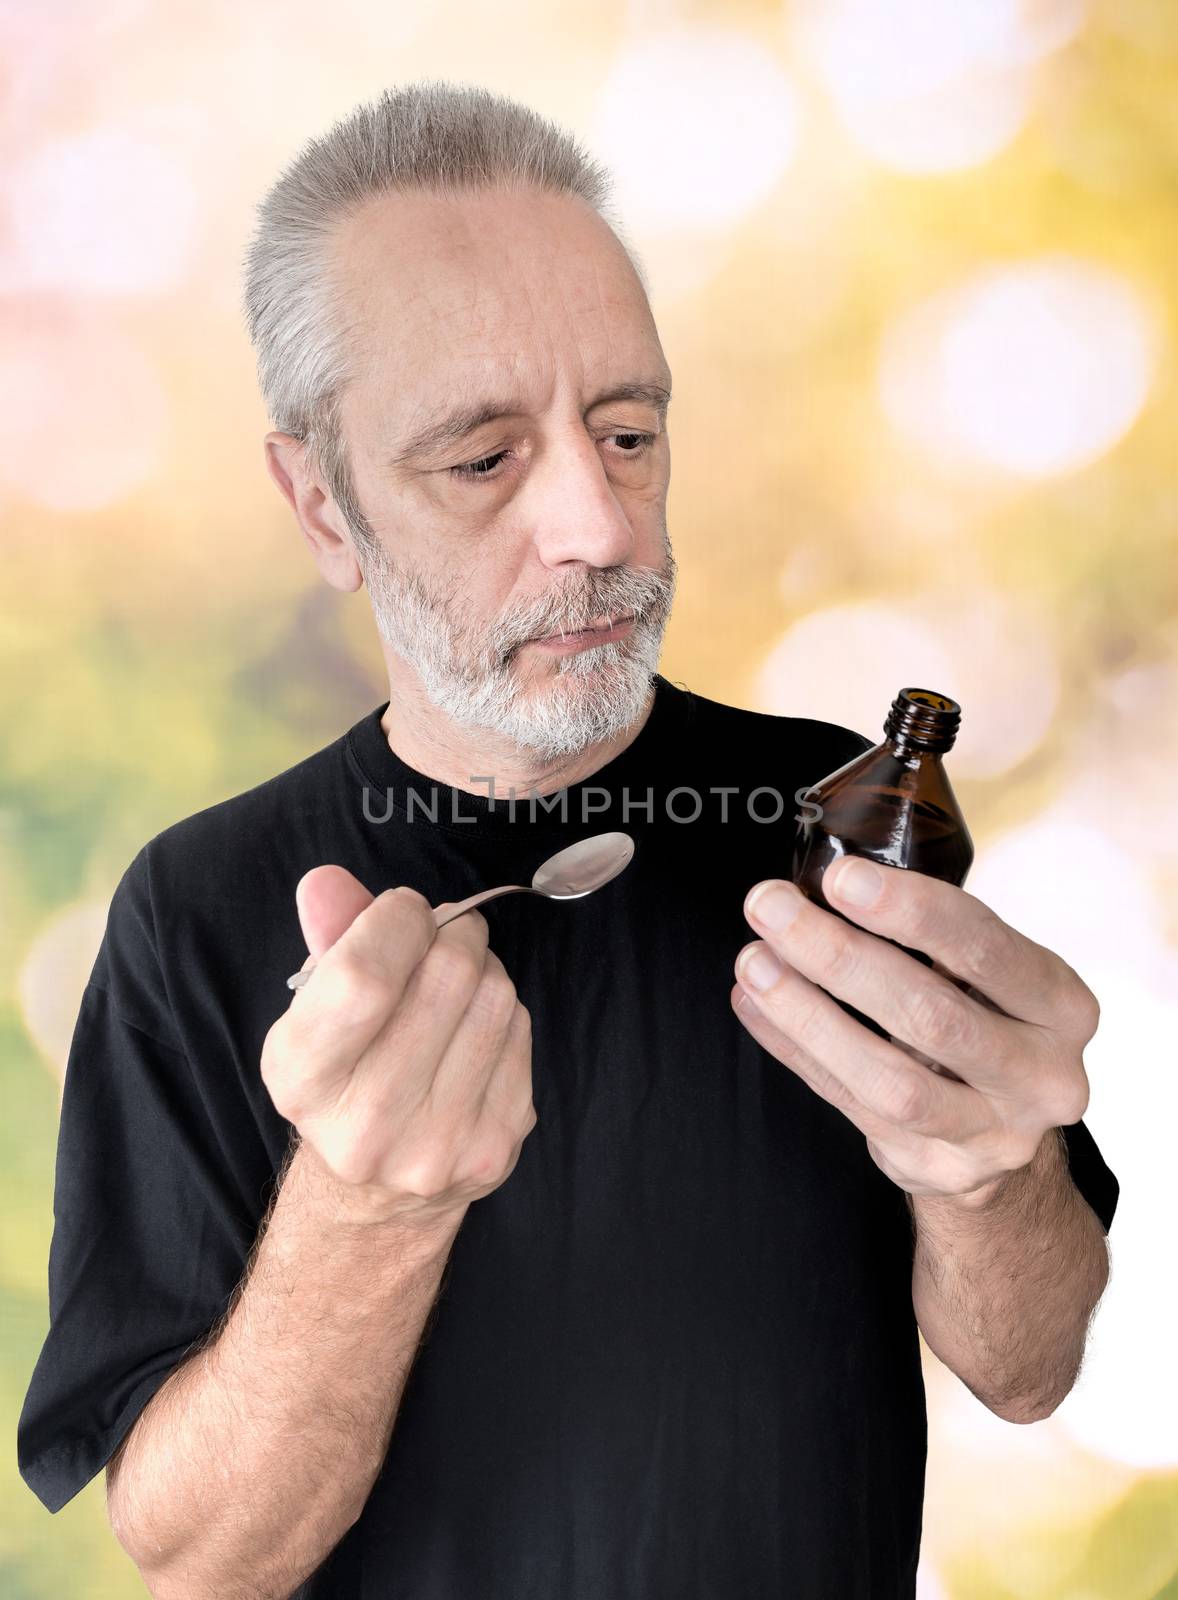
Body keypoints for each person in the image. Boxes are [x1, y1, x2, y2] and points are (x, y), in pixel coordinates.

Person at [17, 82, 1119, 1600]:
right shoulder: (195, 909)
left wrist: (992, 1177)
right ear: (323, 508)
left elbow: (1030, 1368)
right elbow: (200, 1560)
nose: (598, 526)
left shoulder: (836, 830)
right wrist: (363, 1213)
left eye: (626, 431)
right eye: (480, 462)